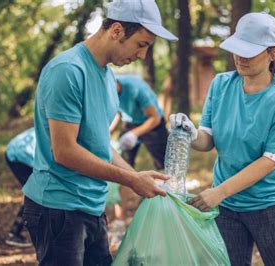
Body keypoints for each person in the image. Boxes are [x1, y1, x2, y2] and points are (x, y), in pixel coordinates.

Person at [21, 0, 176, 264]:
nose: (142, 56)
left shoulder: (107, 77)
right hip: (58, 207)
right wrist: (130, 181)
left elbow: (99, 144)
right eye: (142, 45)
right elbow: (65, 152)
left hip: (92, 205)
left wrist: (135, 175)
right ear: (116, 30)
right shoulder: (68, 71)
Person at [171, 12, 275, 265]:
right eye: (237, 49)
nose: (240, 57)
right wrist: (190, 132)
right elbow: (207, 140)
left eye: (249, 51)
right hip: (227, 207)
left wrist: (218, 192)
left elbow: (270, 160)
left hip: (271, 205)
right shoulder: (221, 85)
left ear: (273, 53)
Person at [111, 75, 168, 170]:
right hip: (129, 121)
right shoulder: (109, 93)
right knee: (123, 164)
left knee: (164, 163)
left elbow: (155, 118)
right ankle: (128, 182)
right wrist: (110, 130)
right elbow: (117, 112)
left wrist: (133, 134)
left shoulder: (136, 89)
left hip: (152, 122)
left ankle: (164, 183)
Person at [4, 128, 35, 247]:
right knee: (33, 192)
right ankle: (14, 233)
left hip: (13, 149)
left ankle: (16, 231)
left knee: (32, 191)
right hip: (20, 156)